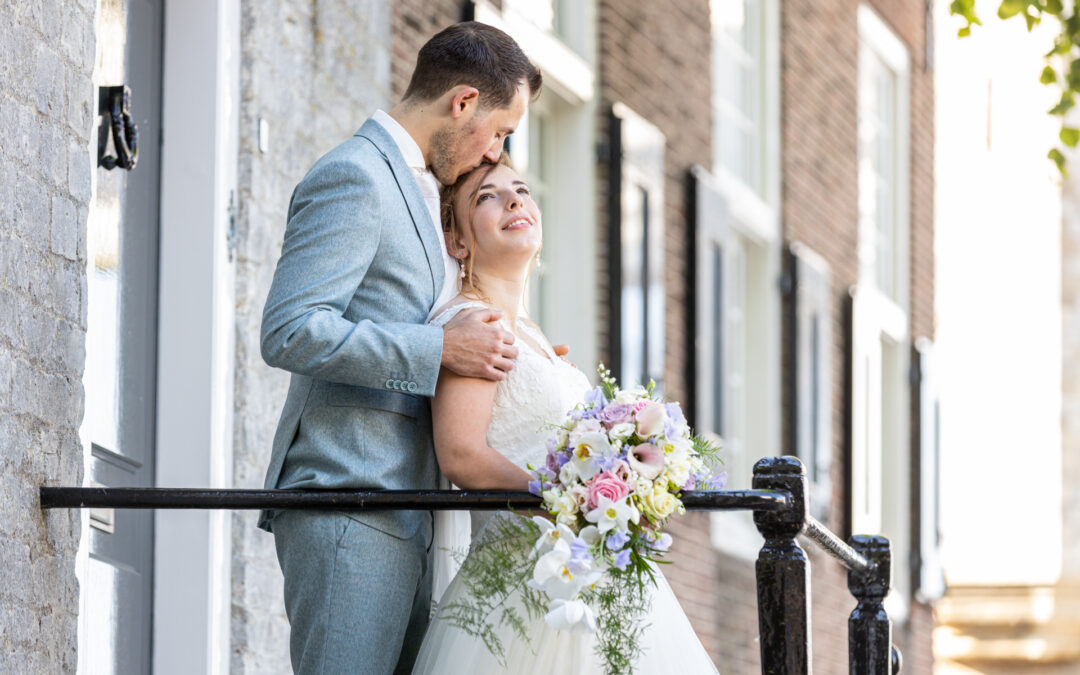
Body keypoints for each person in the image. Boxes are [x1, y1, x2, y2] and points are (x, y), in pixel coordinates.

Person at [257, 23, 542, 675]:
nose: (494, 152)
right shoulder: (355, 175)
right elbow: (290, 328)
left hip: (413, 512)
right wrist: (438, 349)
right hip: (349, 498)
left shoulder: (420, 186)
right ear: (463, 102)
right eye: (499, 131)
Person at [410, 155, 720, 674]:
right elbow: (461, 455)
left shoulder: (530, 335)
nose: (513, 200)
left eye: (521, 188)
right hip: (525, 573)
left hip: (576, 560)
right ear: (457, 242)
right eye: (486, 196)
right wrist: (563, 501)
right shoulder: (472, 324)